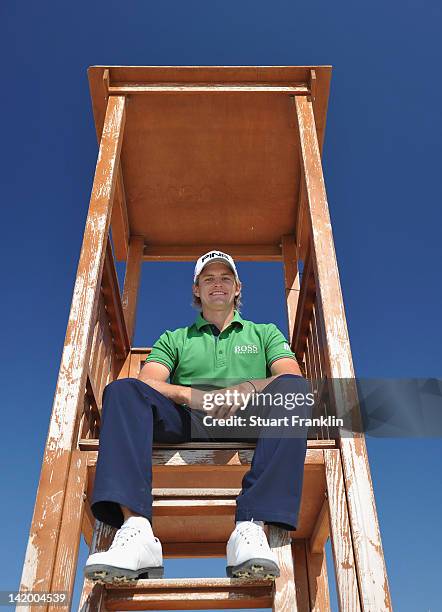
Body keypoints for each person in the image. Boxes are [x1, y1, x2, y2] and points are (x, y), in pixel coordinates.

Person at [84, 250, 311, 584]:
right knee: (122, 391)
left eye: (224, 278)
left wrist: (245, 388)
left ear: (237, 287)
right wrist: (190, 395)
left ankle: (250, 526)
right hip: (189, 420)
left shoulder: (265, 333)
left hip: (247, 419)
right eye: (208, 278)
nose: (216, 284)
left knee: (294, 392)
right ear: (196, 289)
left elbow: (291, 375)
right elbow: (148, 382)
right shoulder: (176, 338)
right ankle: (137, 529)